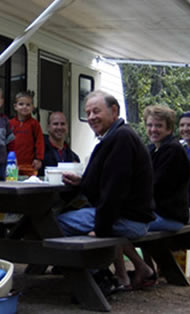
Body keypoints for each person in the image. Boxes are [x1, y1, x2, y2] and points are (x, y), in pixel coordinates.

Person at [56, 90, 155, 289]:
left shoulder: (121, 139)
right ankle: (116, 274)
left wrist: (101, 229)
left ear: (114, 111)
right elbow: (107, 181)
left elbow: (114, 191)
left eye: (96, 111)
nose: (91, 117)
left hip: (129, 219)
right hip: (129, 215)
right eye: (88, 113)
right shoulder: (116, 136)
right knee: (69, 217)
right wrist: (82, 182)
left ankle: (94, 276)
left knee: (56, 223)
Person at [114, 105, 190, 289]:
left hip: (170, 215)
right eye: (149, 125)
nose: (153, 130)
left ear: (169, 129)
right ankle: (142, 268)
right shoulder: (152, 149)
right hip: (155, 211)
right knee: (112, 218)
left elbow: (154, 186)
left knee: (115, 225)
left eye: (158, 126)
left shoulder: (173, 151)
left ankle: (128, 273)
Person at [9, 91, 44, 176]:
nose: (24, 107)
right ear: (15, 106)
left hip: (30, 165)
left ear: (32, 107)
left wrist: (39, 159)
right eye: (21, 104)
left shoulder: (34, 124)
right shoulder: (10, 123)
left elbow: (40, 142)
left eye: (28, 105)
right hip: (12, 163)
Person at [39, 111, 80, 176]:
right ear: (48, 127)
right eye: (55, 124)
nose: (59, 127)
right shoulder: (39, 153)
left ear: (67, 127)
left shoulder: (74, 157)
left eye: (63, 124)